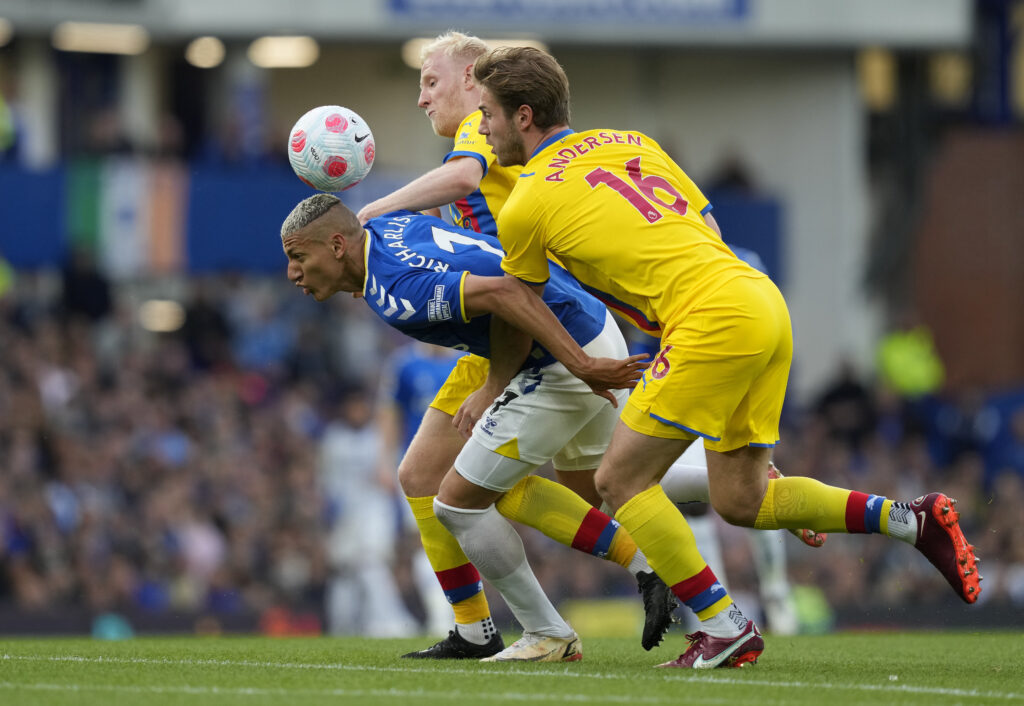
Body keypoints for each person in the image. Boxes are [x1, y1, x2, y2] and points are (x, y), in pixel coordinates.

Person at [461, 45, 981, 669]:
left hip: (708, 318)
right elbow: (701, 223)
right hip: (758, 299)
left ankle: (724, 625)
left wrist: (498, 385)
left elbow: (523, 309)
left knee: (619, 480)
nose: (482, 128)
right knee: (742, 499)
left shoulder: (525, 203)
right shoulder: (633, 141)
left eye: (487, 113)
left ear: (523, 116)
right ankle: (911, 521)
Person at [281, 195, 663, 663]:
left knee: (461, 503)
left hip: (560, 346)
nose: (292, 273)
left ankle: (552, 630)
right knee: (422, 475)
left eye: (299, 258)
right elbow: (436, 229)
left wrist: (573, 367)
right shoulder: (384, 226)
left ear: (338, 246)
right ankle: (475, 629)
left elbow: (507, 293)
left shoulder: (399, 293)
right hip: (548, 329)